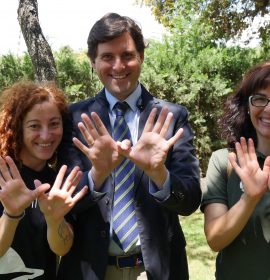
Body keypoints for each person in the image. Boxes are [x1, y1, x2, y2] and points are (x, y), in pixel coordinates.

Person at [57, 13, 201, 280]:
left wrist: (160, 174)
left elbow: (190, 200)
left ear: (142, 56)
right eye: (107, 57)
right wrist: (96, 174)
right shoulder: (75, 118)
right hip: (91, 270)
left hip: (155, 270)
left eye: (127, 55)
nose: (118, 66)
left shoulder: (171, 117)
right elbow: (64, 205)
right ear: (93, 62)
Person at [0, 81, 87, 279]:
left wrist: (54, 219)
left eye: (54, 124)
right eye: (34, 126)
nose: (46, 135)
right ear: (16, 127)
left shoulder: (57, 183)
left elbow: (62, 249)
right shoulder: (3, 175)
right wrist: (12, 214)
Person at [201, 61, 270, 280]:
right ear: (247, 104)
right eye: (260, 98)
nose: (268, 108)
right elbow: (215, 239)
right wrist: (249, 199)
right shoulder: (224, 161)